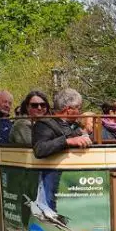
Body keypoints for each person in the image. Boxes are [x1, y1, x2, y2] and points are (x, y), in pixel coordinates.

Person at [32, 89, 92, 223]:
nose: (80, 112)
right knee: (48, 209)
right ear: (68, 109)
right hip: (49, 175)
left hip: (73, 180)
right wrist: (67, 141)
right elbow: (40, 149)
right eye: (79, 108)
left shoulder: (73, 125)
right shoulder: (44, 124)